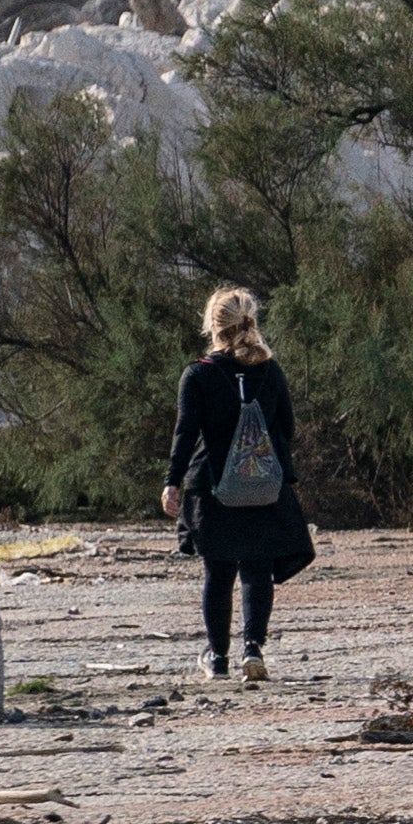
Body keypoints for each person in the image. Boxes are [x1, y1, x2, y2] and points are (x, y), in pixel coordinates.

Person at [161, 284, 316, 683]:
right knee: (257, 569)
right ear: (251, 321)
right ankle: (253, 648)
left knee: (219, 572)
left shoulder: (197, 374)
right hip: (264, 487)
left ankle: (217, 658)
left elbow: (185, 433)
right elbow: (287, 428)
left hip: (214, 487)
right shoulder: (270, 370)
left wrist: (172, 482)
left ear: (212, 326)